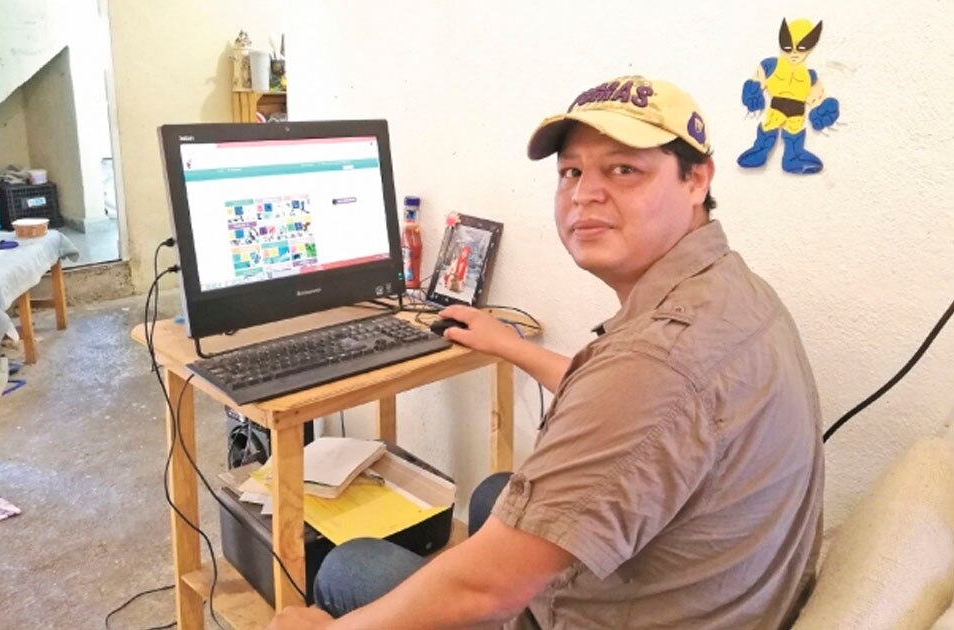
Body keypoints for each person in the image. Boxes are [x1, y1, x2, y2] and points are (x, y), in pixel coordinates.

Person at [270, 74, 824, 629]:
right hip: (725, 599)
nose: (585, 193)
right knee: (494, 493)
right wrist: (509, 347)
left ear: (695, 179)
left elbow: (486, 592)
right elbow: (646, 421)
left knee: (348, 566)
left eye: (623, 169)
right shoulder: (730, 290)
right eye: (572, 172)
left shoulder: (653, 367)